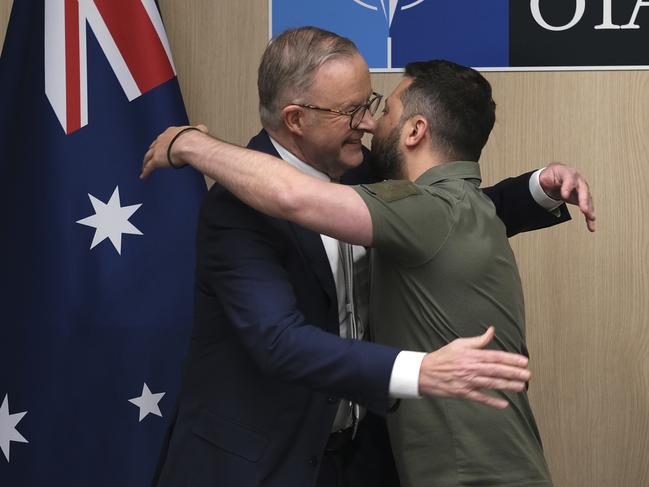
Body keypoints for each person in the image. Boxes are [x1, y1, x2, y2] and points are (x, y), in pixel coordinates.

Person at [144, 28, 594, 487]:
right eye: (351, 110)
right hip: (261, 463)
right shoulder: (236, 207)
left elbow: (448, 220)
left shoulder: (362, 165)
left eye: (371, 102)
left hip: (357, 461)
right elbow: (279, 342)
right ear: (296, 119)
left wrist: (536, 189)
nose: (368, 123)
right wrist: (421, 369)